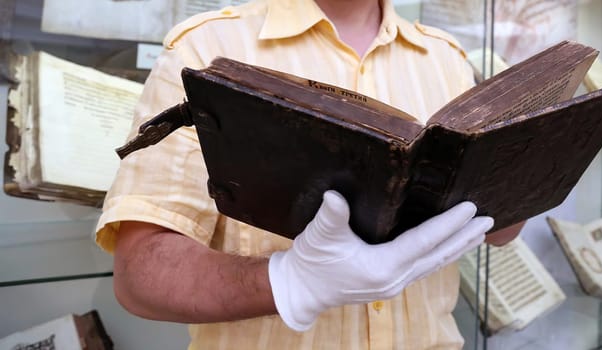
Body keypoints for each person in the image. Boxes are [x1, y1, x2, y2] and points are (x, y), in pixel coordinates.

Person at [96, 0, 522, 348]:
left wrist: (527, 169)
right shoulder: (205, 47)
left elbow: (501, 230)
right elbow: (139, 275)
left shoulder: (447, 59)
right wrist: (290, 282)